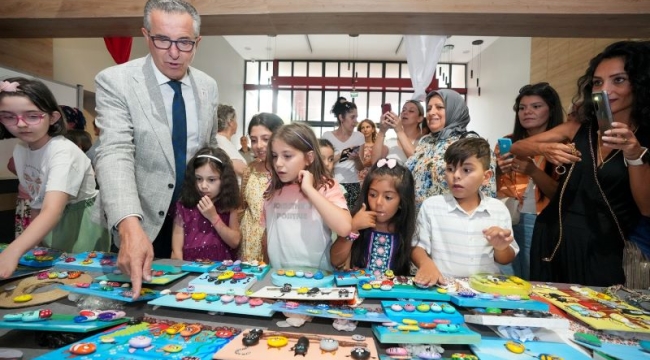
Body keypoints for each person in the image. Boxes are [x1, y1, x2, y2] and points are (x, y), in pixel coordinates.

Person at [94, 0, 218, 298]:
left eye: (184, 42)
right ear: (146, 36)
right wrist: (128, 224)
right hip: (140, 220)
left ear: (197, 43)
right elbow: (114, 152)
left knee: (189, 304)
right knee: (133, 304)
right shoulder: (116, 80)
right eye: (162, 40)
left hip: (192, 222)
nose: (174, 53)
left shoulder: (207, 85)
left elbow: (209, 151)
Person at [510, 40, 650, 287]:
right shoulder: (579, 129)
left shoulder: (643, 140)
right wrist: (544, 148)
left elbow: (646, 207)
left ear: (639, 84)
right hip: (553, 236)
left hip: (604, 247)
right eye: (598, 82)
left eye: (618, 80)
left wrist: (634, 154)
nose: (604, 90)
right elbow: (517, 147)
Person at [0, 78, 110, 278]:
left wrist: (14, 250)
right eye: (9, 116)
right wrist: (33, 244)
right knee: (48, 276)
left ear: (53, 117)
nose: (21, 124)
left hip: (81, 224)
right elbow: (37, 202)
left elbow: (52, 209)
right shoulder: (20, 149)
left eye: (32, 116)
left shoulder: (62, 151)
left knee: (79, 279)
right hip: (49, 223)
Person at [412, 137, 517, 285]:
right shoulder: (432, 206)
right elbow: (417, 246)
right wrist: (425, 264)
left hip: (485, 292)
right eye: (450, 169)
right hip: (444, 288)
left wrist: (501, 248)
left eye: (466, 170)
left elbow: (507, 258)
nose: (456, 176)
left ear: (486, 177)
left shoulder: (498, 209)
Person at [495, 82, 563, 280]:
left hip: (542, 219)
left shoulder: (561, 146)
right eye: (522, 108)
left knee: (534, 273)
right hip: (507, 213)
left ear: (551, 110)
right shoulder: (508, 142)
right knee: (506, 273)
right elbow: (491, 185)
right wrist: (498, 169)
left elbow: (562, 195)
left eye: (536, 106)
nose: (527, 112)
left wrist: (533, 171)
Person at [263, 122, 352, 270]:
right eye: (274, 156)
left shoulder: (326, 186)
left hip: (318, 279)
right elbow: (267, 235)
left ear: (309, 157)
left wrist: (309, 190)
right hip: (278, 278)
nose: (278, 163)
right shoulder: (271, 189)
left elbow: (344, 228)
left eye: (287, 156)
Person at [406, 89, 496, 209]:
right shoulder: (425, 141)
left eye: (439, 107)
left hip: (452, 221)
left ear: (454, 110)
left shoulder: (471, 143)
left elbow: (487, 191)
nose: (431, 112)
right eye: (428, 109)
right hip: (418, 221)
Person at [330, 158, 416, 277]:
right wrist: (353, 228)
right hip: (359, 292)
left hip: (391, 293)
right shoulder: (355, 222)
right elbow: (335, 260)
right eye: (373, 195)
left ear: (402, 201)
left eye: (388, 197)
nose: (379, 202)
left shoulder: (406, 229)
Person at [171, 147, 241, 261]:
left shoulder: (228, 205)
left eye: (211, 180)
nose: (203, 186)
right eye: (198, 179)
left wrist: (213, 217)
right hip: (190, 270)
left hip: (222, 269)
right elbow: (176, 250)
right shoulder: (184, 206)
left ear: (224, 179)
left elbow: (235, 242)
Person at [239, 113, 284, 262]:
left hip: (276, 243)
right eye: (254, 140)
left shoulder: (285, 172)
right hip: (249, 244)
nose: (259, 145)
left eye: (266, 139)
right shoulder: (250, 169)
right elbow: (242, 207)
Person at [322, 100, 365, 209]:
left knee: (352, 220)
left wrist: (356, 159)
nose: (356, 121)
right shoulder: (327, 136)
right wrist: (343, 154)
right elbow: (324, 163)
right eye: (352, 117)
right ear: (341, 118)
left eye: (356, 117)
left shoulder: (359, 136)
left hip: (353, 184)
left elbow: (361, 167)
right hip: (332, 184)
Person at [215, 104, 247, 178]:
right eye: (235, 120)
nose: (237, 123)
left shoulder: (222, 141)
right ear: (230, 122)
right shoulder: (220, 141)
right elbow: (240, 169)